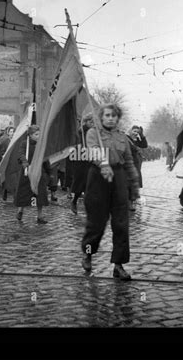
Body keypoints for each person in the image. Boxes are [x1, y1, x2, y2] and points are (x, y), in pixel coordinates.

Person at [81, 104, 139, 281]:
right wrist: (103, 164)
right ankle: (88, 254)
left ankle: (118, 265)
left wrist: (134, 183)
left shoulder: (122, 136)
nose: (111, 118)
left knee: (121, 223)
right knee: (96, 222)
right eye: (107, 115)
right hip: (98, 177)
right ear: (101, 117)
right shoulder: (93, 133)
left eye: (114, 116)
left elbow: (128, 160)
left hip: (119, 177)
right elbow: (92, 150)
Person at [14, 125, 51, 224]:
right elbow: (21, 154)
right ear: (30, 135)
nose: (38, 136)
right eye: (36, 134)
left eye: (39, 134)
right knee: (24, 193)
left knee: (40, 194)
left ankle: (40, 216)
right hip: (27, 172)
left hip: (39, 172)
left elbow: (45, 159)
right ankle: (20, 210)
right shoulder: (24, 144)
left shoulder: (41, 145)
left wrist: (49, 171)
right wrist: (25, 163)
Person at [70, 113, 94, 214]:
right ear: (86, 122)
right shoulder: (79, 132)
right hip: (80, 161)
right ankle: (74, 201)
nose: (92, 124)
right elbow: (73, 145)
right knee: (80, 184)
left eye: (94, 122)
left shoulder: (95, 133)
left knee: (91, 185)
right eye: (90, 122)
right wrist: (80, 148)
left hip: (92, 161)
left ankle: (90, 207)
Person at [127, 125, 147, 211]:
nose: (135, 133)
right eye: (134, 131)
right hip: (128, 162)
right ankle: (129, 202)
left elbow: (144, 145)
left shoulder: (137, 140)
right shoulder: (126, 139)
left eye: (137, 132)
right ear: (130, 131)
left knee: (135, 181)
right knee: (128, 181)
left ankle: (132, 200)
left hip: (136, 162)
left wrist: (142, 136)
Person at [0, 126, 15, 201]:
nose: (12, 133)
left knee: (14, 178)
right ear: (8, 132)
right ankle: (5, 191)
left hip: (13, 162)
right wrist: (3, 156)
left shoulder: (15, 140)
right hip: (7, 162)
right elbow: (2, 151)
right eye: (11, 131)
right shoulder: (6, 141)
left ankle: (14, 194)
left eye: (13, 131)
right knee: (6, 178)